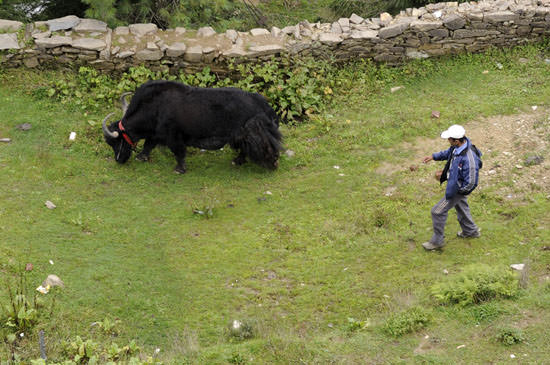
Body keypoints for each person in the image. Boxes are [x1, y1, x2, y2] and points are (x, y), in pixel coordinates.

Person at [421, 124, 482, 250]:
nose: (448, 141)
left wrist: (458, 192)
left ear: (457, 140)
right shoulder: (456, 148)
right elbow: (448, 153)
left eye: (449, 139)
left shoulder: (469, 159)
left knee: (437, 211)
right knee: (461, 207)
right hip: (455, 186)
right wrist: (433, 157)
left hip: (457, 190)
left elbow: (471, 182)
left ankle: (437, 242)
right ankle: (471, 231)